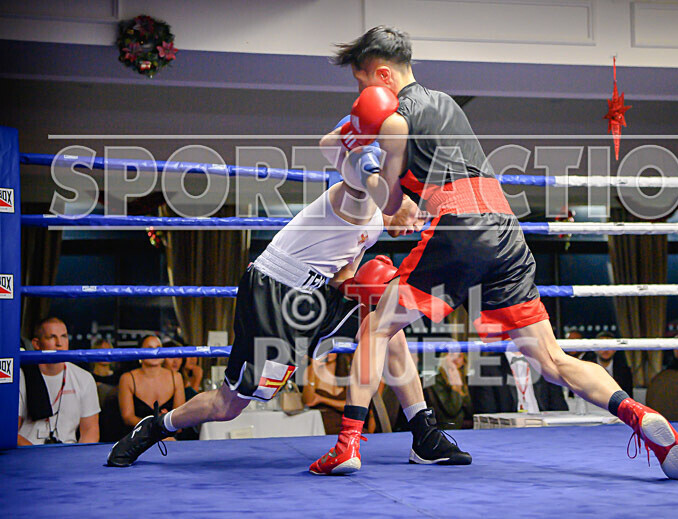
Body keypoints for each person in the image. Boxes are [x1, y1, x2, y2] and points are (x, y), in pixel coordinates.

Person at [311, 26, 678, 480]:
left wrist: (359, 163)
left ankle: (347, 444)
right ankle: (637, 413)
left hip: (459, 228)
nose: (361, 96)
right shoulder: (447, 103)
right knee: (552, 361)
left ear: (381, 75)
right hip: (505, 230)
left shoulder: (396, 121)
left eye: (361, 84)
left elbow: (392, 204)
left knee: (376, 326)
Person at [107, 133, 469, 469]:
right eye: (421, 213)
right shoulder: (356, 199)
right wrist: (388, 173)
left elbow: (342, 277)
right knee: (227, 405)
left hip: (315, 298)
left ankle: (423, 433)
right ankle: (155, 427)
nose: (417, 226)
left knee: (386, 322)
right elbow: (356, 163)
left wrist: (364, 286)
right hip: (272, 292)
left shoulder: (372, 229)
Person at [18, 317, 100, 445]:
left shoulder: (84, 378)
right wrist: (38, 455)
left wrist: (78, 455)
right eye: (52, 337)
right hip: (28, 451)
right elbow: (9, 432)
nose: (59, 343)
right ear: (37, 344)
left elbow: (90, 430)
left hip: (68, 451)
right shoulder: (20, 377)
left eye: (64, 336)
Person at [117, 335, 185, 436]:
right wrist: (156, 425)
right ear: (140, 353)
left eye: (158, 348)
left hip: (168, 437)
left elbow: (180, 418)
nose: (154, 352)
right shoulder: (127, 379)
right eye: (149, 349)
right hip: (136, 438)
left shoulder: (176, 377)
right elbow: (127, 418)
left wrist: (167, 421)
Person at [302, 353, 376, 434]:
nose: (328, 352)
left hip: (346, 422)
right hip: (322, 424)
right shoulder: (311, 370)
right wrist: (313, 368)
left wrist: (322, 399)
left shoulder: (348, 372)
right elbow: (308, 401)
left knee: (362, 435)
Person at [429, 353, 472, 429]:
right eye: (451, 355)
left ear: (464, 361)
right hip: (447, 429)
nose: (455, 359)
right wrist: (455, 387)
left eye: (459, 356)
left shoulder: (467, 380)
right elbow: (452, 410)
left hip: (468, 429)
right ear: (444, 359)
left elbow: (471, 411)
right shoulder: (435, 382)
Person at [594, 332, 633, 396]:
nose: (606, 350)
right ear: (595, 349)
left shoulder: (625, 371)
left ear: (615, 349)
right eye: (602, 346)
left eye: (609, 346)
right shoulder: (587, 368)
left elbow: (628, 397)